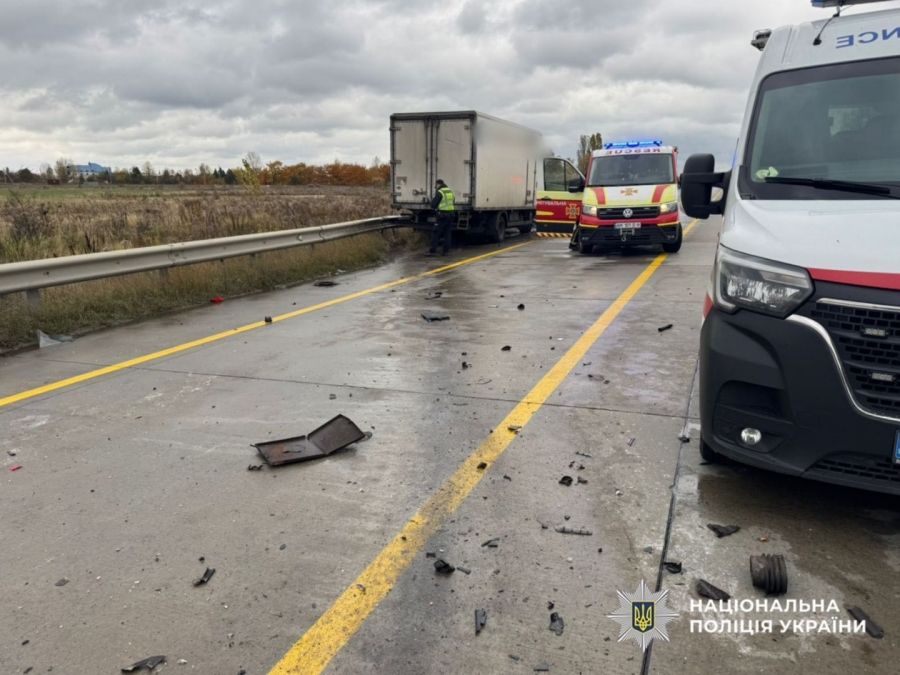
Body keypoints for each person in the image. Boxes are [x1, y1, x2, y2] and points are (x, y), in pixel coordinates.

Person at [427, 179, 455, 256]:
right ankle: (446, 251)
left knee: (436, 232)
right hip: (450, 215)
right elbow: (452, 202)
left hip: (442, 215)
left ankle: (432, 251)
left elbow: (433, 205)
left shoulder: (440, 192)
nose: (435, 187)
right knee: (447, 233)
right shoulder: (450, 191)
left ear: (438, 184)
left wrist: (431, 201)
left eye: (435, 185)